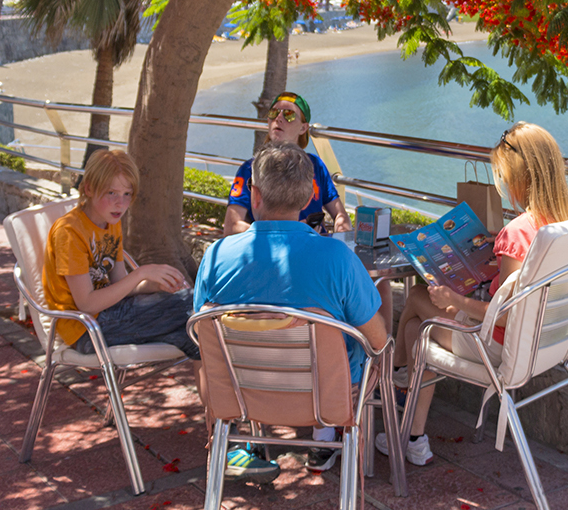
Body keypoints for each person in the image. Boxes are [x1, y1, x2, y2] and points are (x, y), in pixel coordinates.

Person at [379, 121, 568, 466]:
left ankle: (398, 378)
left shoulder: (518, 231)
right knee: (418, 334)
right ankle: (412, 437)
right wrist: (498, 254)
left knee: (417, 300)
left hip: (499, 346)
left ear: (520, 176)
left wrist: (454, 301)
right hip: (553, 341)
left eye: (504, 176)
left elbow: (505, 314)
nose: (503, 184)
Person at [196, 142, 388, 478]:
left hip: (242, 395)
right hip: (327, 399)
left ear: (254, 196)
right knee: (377, 345)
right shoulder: (337, 258)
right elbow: (377, 340)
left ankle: (238, 445)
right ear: (305, 199)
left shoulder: (215, 256)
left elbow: (203, 333)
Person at [43, 149, 199, 363]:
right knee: (196, 303)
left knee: (198, 336)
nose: (121, 203)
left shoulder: (110, 223)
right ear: (88, 188)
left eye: (127, 194)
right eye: (111, 193)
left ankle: (227, 392)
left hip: (113, 315)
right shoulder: (69, 232)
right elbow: (87, 304)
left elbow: (120, 285)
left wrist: (155, 284)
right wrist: (142, 272)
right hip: (87, 330)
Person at [224, 92, 351, 235]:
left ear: (303, 128)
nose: (278, 118)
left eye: (289, 115)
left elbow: (340, 215)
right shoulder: (249, 169)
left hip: (315, 246)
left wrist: (342, 236)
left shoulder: (315, 165)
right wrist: (294, 231)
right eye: (273, 113)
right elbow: (231, 228)